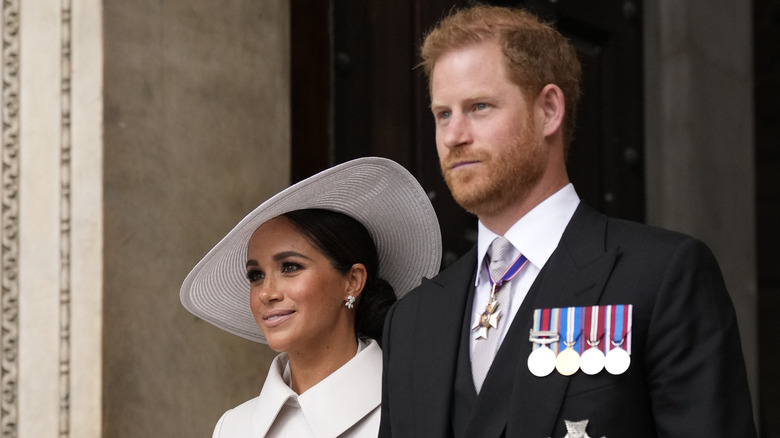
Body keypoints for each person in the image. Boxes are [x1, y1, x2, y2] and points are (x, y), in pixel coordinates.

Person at [379, 5, 756, 438]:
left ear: (549, 110)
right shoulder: (411, 320)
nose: (453, 136)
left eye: (479, 107)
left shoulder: (662, 278)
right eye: (443, 113)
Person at [180, 157, 441, 437]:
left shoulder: (421, 411)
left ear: (352, 281)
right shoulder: (233, 427)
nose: (266, 293)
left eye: (290, 267)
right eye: (255, 275)